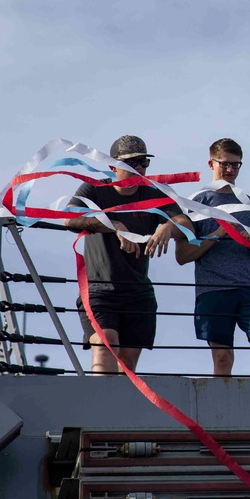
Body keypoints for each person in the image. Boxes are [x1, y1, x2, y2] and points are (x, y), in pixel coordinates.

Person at [63, 135, 191, 374]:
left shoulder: (153, 194)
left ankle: (119, 408)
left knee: (128, 362)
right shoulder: (95, 189)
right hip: (100, 290)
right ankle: (102, 406)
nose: (140, 168)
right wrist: (114, 224)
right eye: (132, 163)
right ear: (113, 167)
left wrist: (167, 226)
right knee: (106, 344)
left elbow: (187, 225)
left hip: (138, 291)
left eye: (144, 162)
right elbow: (68, 218)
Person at [175, 139, 250, 377]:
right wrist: (218, 234)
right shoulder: (196, 204)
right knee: (222, 357)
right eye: (225, 164)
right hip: (214, 289)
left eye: (236, 165)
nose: (231, 170)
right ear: (211, 163)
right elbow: (182, 256)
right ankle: (222, 411)